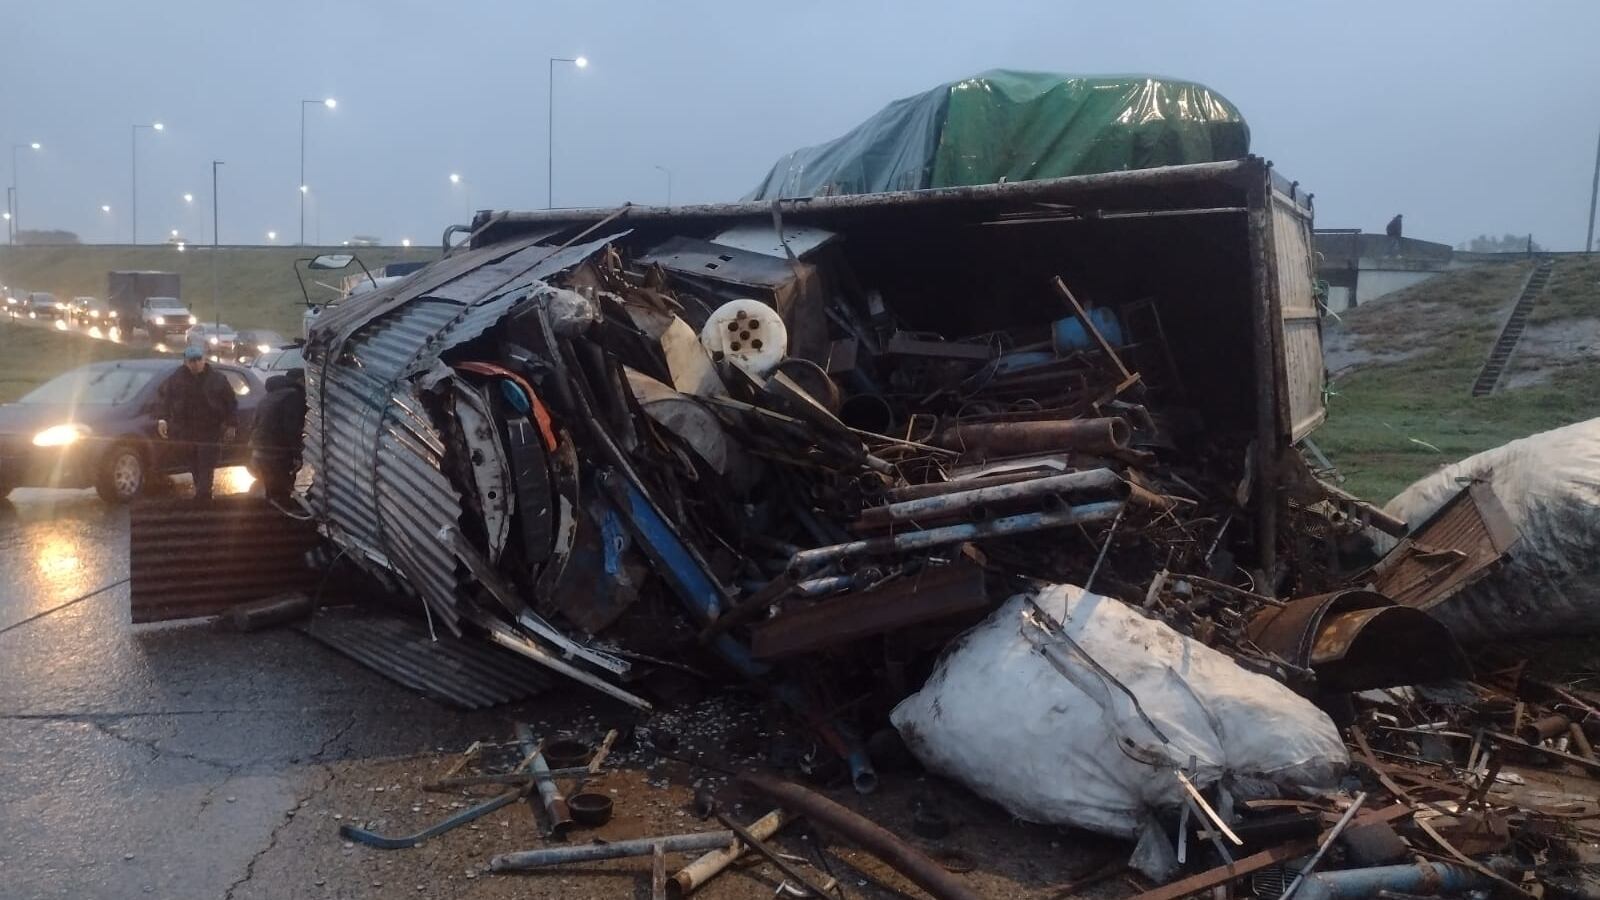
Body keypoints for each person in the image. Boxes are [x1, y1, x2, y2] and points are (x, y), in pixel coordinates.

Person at [157, 346, 238, 501]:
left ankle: (203, 496)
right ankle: (202, 492)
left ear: (204, 359)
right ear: (186, 362)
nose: (196, 364)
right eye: (192, 361)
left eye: (198, 360)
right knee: (193, 463)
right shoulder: (176, 379)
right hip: (186, 429)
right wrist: (163, 419)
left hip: (210, 429)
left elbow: (231, 403)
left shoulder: (217, 379)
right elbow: (165, 400)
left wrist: (231, 425)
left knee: (206, 464)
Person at [250, 369, 307, 503]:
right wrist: (297, 455)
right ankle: (280, 519)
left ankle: (270, 517)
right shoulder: (293, 396)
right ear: (300, 381)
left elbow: (255, 423)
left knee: (272, 490)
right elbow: (292, 428)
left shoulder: (270, 395)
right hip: (278, 452)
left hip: (261, 450)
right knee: (283, 490)